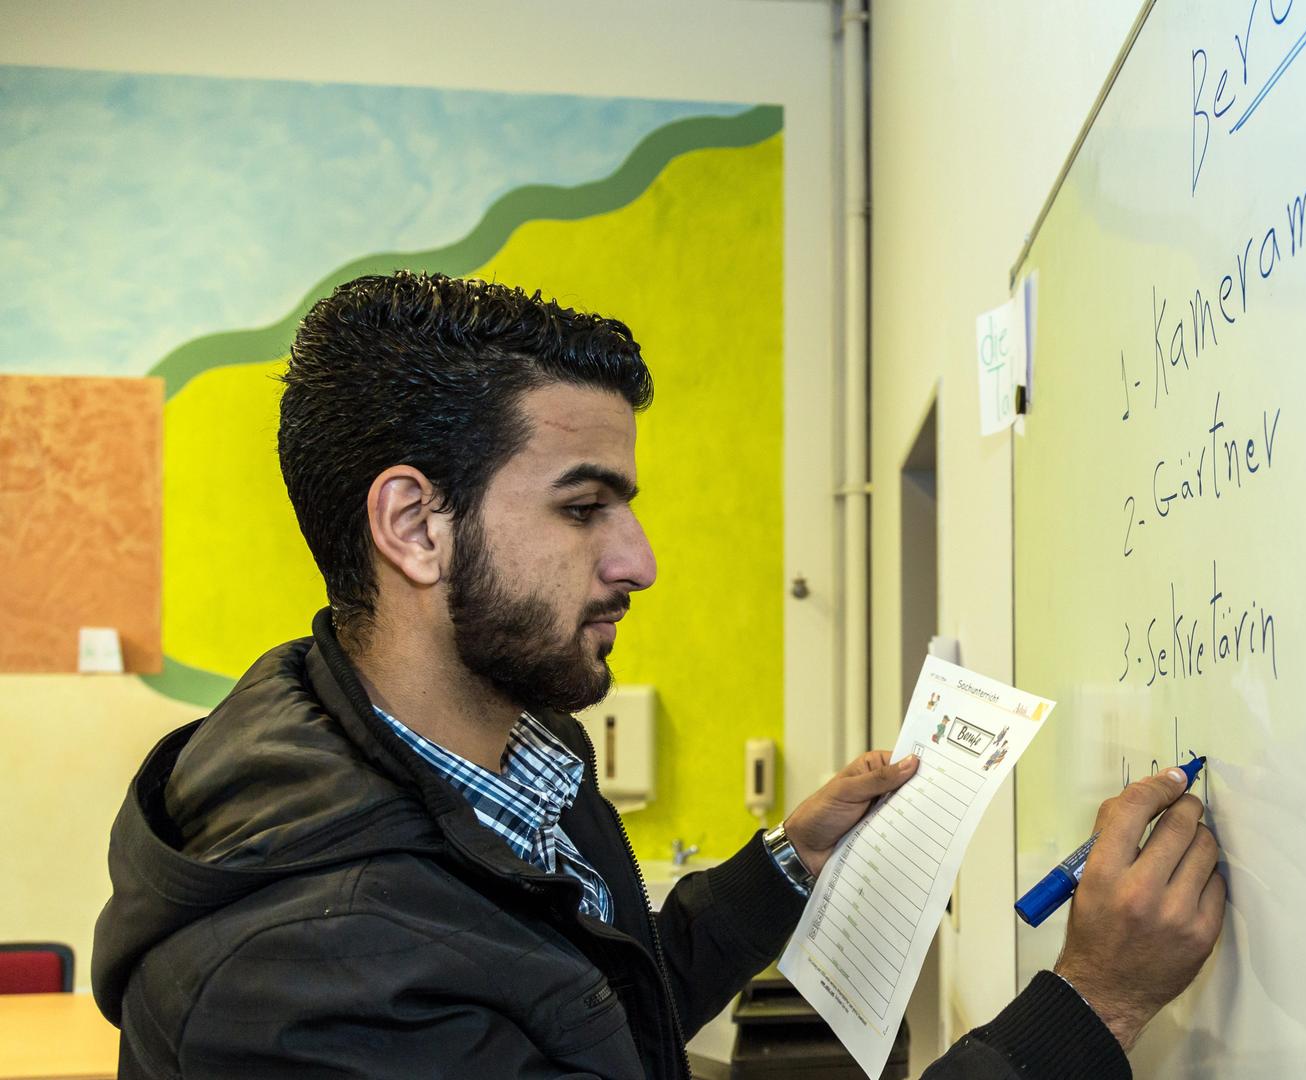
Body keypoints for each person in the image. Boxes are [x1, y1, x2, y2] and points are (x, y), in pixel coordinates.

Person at [92, 272, 1225, 1079]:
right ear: (414, 525)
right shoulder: (310, 984)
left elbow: (594, 1011)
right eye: (585, 507)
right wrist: (1093, 1004)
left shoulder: (509, 754)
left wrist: (790, 862)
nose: (638, 562)